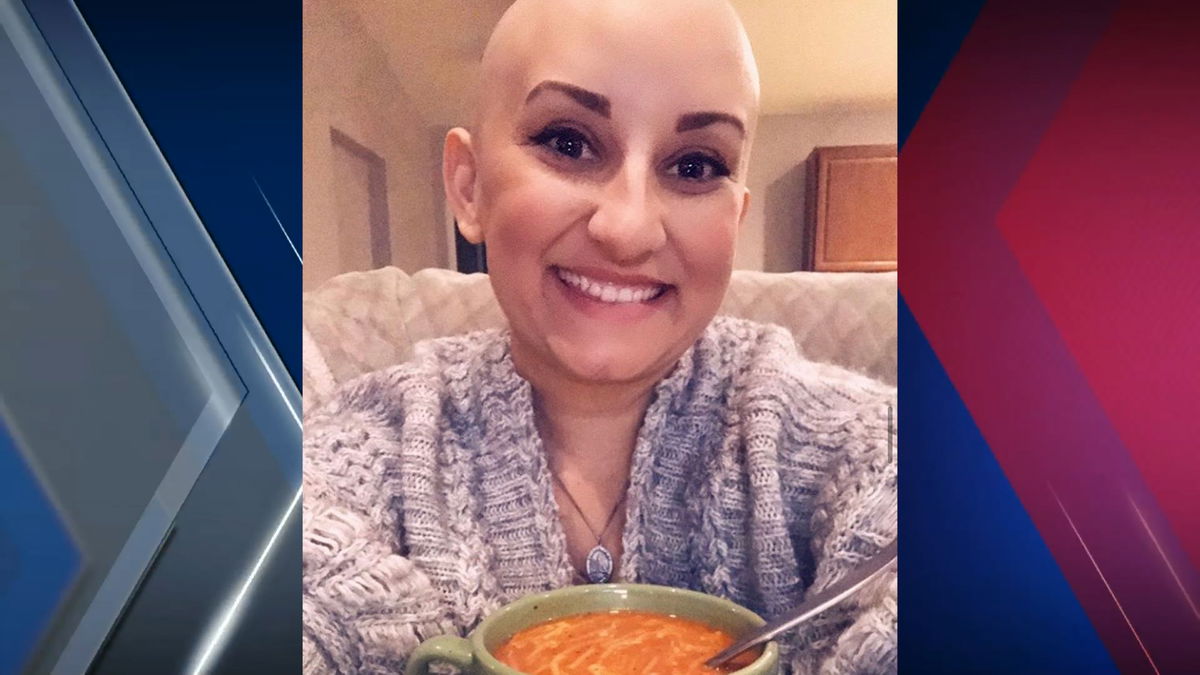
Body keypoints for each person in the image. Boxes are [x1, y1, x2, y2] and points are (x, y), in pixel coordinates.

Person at [302, 0, 897, 673]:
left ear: (734, 218)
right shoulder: (369, 445)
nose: (628, 229)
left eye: (695, 166)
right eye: (568, 142)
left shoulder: (833, 434)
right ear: (469, 187)